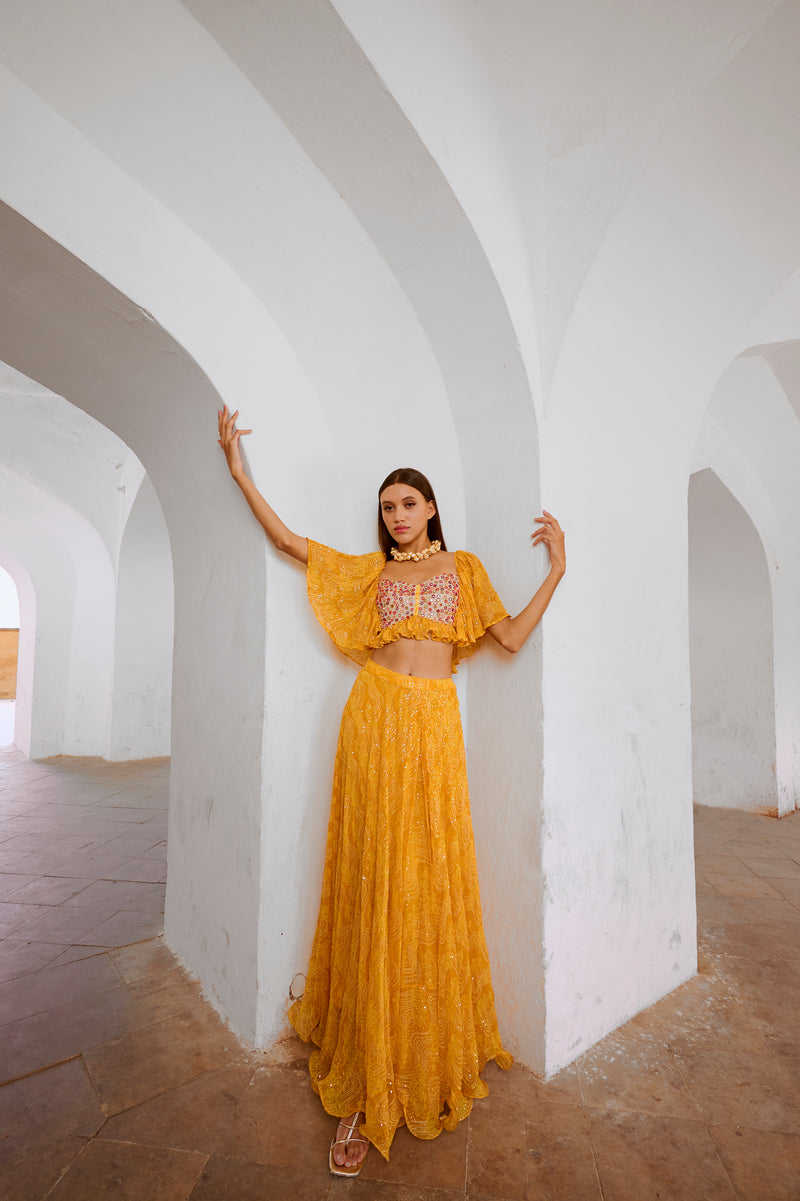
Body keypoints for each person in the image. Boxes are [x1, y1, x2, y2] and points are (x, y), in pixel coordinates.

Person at [217, 405, 566, 1176]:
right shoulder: (371, 573)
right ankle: (363, 1081)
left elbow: (506, 637)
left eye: (407, 504)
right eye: (386, 507)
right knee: (375, 875)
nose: (396, 516)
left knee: (422, 881)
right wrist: (241, 471)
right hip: (371, 719)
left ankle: (412, 1053)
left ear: (431, 506)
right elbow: (287, 543)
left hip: (433, 728)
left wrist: (558, 571)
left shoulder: (464, 569)